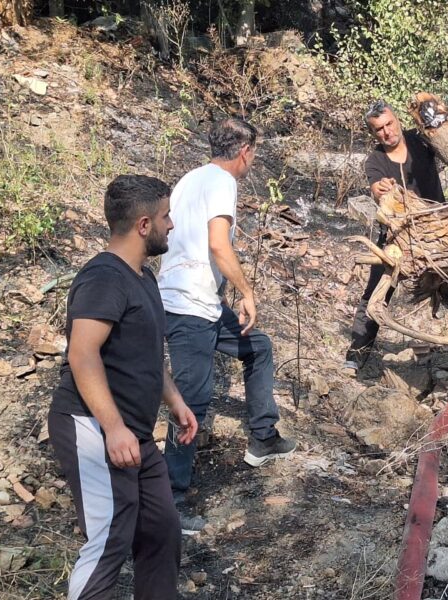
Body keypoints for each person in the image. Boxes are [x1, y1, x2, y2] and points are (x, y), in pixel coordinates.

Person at [49, 174, 199, 599]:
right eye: (166, 216)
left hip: (133, 431)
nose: (172, 224)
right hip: (91, 424)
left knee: (160, 529)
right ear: (143, 225)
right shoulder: (104, 277)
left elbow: (145, 354)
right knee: (112, 533)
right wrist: (113, 428)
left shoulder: (143, 278)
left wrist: (175, 401)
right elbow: (83, 354)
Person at [157, 118, 295, 524]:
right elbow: (218, 244)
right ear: (244, 151)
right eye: (254, 152)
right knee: (191, 400)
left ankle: (263, 438)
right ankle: (170, 502)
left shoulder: (191, 178)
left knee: (258, 347)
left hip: (201, 301)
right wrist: (247, 292)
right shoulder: (222, 182)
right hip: (189, 306)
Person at [343, 100, 448, 377]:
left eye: (389, 124)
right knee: (376, 292)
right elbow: (376, 188)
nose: (387, 132)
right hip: (397, 238)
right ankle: (356, 356)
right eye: (379, 129)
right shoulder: (376, 161)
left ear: (398, 120)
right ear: (373, 133)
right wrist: (381, 190)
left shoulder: (420, 141)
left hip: (438, 230)